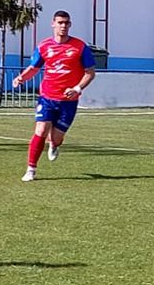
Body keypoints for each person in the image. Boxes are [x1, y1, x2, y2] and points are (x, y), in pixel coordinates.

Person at [12, 10, 96, 182]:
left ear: (70, 24)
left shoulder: (80, 47)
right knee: (41, 130)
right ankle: (31, 169)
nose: (63, 26)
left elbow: (90, 73)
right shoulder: (44, 46)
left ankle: (54, 144)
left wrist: (77, 88)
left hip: (69, 101)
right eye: (60, 23)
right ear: (53, 24)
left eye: (66, 23)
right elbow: (34, 68)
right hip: (47, 97)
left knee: (55, 137)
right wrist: (21, 77)